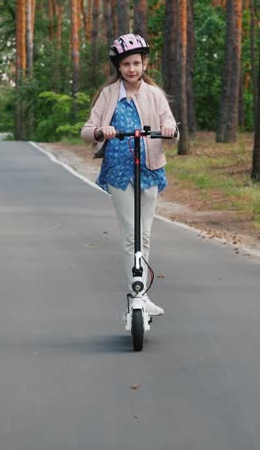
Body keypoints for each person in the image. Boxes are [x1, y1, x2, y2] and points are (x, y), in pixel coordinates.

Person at [81, 33, 179, 317]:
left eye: (136, 63)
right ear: (118, 67)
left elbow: (170, 126)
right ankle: (136, 291)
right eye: (126, 64)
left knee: (144, 235)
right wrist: (101, 131)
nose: (132, 69)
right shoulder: (108, 95)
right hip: (119, 170)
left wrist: (171, 131)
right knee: (129, 234)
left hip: (149, 169)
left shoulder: (154, 95)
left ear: (144, 64)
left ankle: (144, 296)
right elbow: (87, 132)